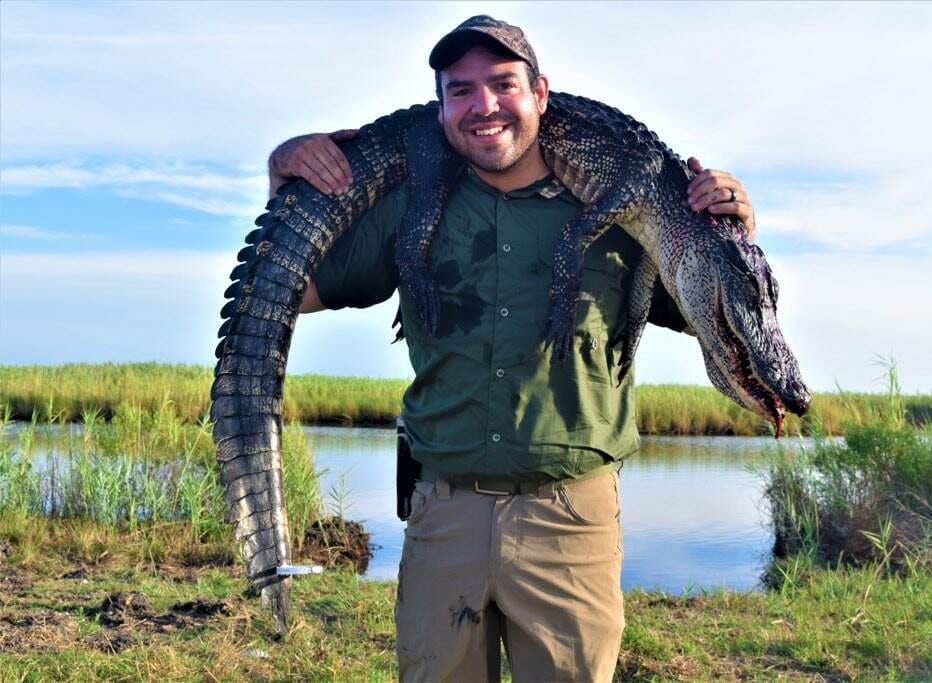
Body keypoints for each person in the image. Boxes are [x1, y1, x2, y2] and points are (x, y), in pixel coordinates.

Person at [268, 15, 757, 682]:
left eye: (502, 84)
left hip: (571, 520)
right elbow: (291, 291)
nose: (484, 105)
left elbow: (725, 322)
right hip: (444, 513)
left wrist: (732, 230)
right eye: (461, 90)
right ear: (443, 106)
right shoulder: (413, 203)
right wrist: (282, 176)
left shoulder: (626, 213)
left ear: (540, 93)